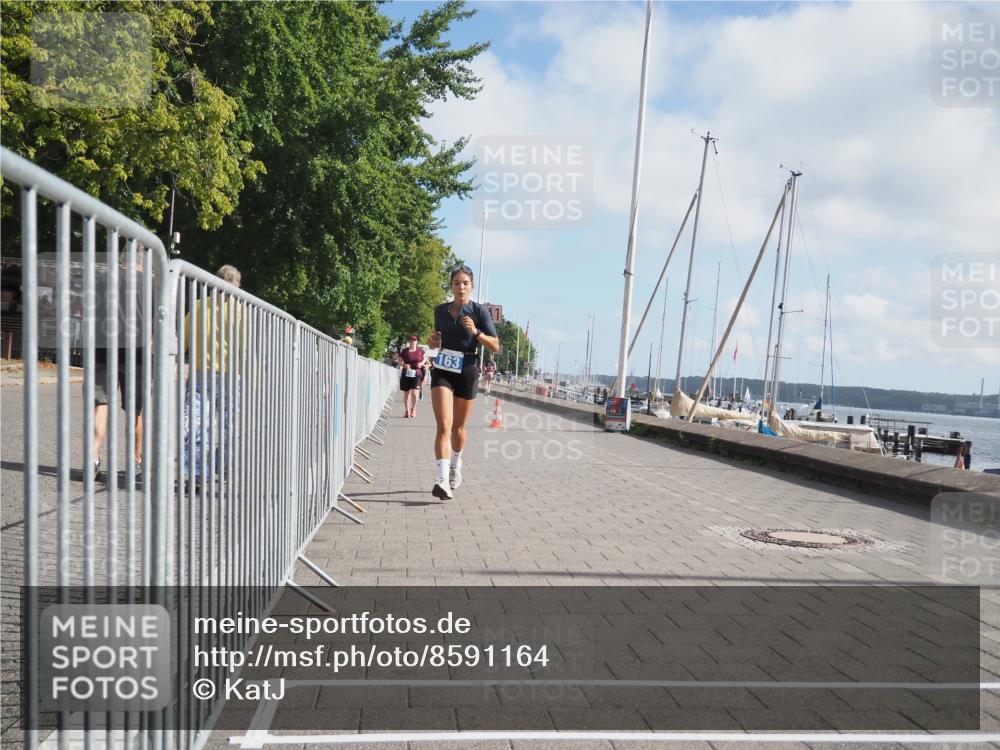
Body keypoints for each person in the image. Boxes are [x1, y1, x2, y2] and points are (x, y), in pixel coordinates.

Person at [427, 264, 500, 500]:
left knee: (458, 429)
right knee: (444, 426)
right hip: (444, 369)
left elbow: (495, 346)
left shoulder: (479, 312)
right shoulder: (440, 311)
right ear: (451, 286)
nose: (460, 287)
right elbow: (436, 340)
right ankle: (441, 480)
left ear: (472, 286)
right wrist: (432, 341)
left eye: (465, 283)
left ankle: (456, 465)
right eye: (456, 283)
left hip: (468, 369)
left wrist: (477, 332)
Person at [182, 264, 243, 486]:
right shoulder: (242, 310)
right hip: (231, 376)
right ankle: (220, 466)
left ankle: (197, 472)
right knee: (230, 427)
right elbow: (248, 349)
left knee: (197, 424)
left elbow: (183, 341)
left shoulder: (199, 307)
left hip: (202, 375)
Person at [90, 254, 145, 482]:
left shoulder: (103, 278)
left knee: (100, 403)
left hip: (103, 348)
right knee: (134, 409)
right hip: (136, 351)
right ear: (141, 262)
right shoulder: (147, 283)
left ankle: (92, 457)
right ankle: (135, 460)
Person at [398, 335, 426, 418]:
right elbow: (400, 360)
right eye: (411, 340)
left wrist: (421, 363)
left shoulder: (420, 351)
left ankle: (413, 409)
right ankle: (406, 410)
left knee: (414, 392)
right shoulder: (405, 351)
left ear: (417, 342)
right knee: (406, 393)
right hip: (406, 373)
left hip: (416, 373)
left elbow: (425, 358)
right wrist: (404, 364)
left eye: (414, 340)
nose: (413, 342)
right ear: (409, 342)